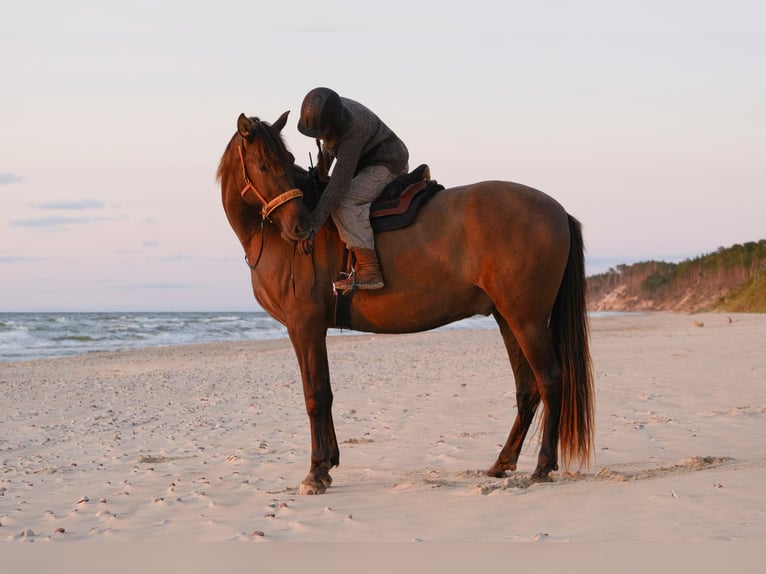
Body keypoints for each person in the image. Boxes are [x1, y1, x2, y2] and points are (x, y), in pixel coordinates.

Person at [297, 87, 409, 290]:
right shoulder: (333, 110)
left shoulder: (354, 129)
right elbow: (331, 144)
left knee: (343, 203)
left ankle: (369, 270)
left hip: (388, 164)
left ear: (331, 123)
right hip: (364, 161)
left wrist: (314, 225)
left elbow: (339, 184)